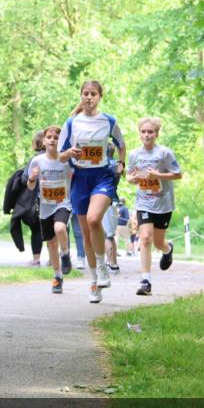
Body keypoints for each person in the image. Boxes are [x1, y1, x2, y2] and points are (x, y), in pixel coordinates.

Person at [58, 80, 126, 303]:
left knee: (94, 219)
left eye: (93, 94)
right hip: (80, 178)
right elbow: (60, 155)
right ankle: (95, 280)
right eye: (85, 93)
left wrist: (121, 163)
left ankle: (104, 269)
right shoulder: (71, 123)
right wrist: (70, 152)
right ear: (81, 96)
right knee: (86, 234)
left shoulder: (109, 121)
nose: (89, 97)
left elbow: (122, 144)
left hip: (102, 176)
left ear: (99, 97)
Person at [126, 117, 182, 296]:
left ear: (156, 134)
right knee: (145, 238)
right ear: (139, 133)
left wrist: (158, 175)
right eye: (143, 131)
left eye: (150, 132)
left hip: (163, 203)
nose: (147, 135)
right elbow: (128, 176)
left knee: (158, 242)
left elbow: (178, 174)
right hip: (144, 202)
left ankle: (167, 249)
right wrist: (132, 179)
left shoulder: (165, 153)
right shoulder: (135, 155)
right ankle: (145, 281)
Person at [25, 125, 74, 293]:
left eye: (56, 137)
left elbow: (75, 178)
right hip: (45, 207)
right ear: (44, 141)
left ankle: (66, 254)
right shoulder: (37, 161)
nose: (53, 140)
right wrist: (31, 179)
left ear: (61, 142)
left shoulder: (67, 161)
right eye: (49, 137)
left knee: (59, 228)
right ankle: (57, 276)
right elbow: (31, 187)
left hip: (63, 203)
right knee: (51, 244)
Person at [22, 130, 46, 266]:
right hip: (57, 199)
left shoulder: (35, 159)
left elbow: (25, 177)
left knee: (36, 229)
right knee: (54, 229)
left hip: (38, 199)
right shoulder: (55, 157)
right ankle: (53, 259)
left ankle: (36, 259)